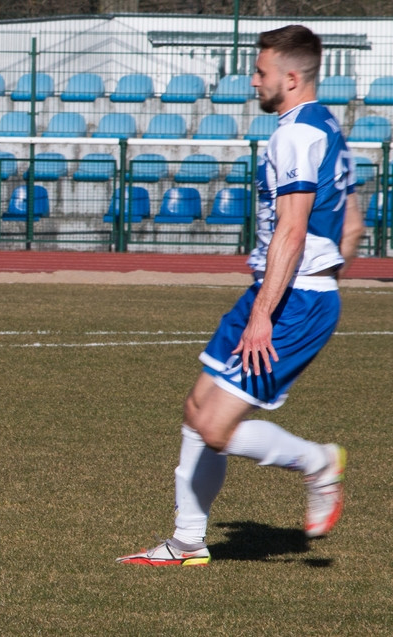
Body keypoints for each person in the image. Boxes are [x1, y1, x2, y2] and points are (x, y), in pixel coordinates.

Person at [117, 25, 364, 567]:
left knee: (215, 427)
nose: (253, 81)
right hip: (285, 290)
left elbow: (292, 231)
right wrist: (328, 276)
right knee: (195, 411)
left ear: (291, 78)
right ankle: (186, 540)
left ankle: (318, 462)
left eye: (261, 72)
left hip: (289, 301)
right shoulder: (329, 127)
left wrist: (266, 313)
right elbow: (352, 219)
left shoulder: (296, 134)